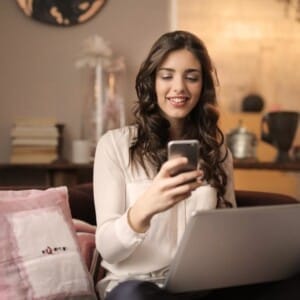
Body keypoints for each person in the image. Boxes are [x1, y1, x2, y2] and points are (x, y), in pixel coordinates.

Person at [93, 31, 299, 300]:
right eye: (167, 76)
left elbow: (228, 231)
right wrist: (145, 208)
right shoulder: (115, 146)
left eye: (191, 77)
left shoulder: (217, 152)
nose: (179, 87)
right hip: (137, 285)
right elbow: (108, 249)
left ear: (203, 86)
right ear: (151, 82)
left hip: (201, 286)